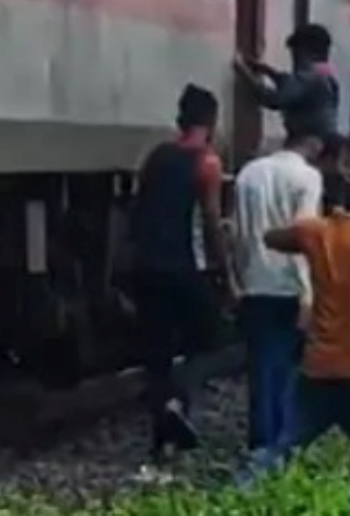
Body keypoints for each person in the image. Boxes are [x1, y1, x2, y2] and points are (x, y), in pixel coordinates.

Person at [251, 178, 350, 482]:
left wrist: (320, 228)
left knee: (287, 443)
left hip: (318, 363)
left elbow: (272, 238)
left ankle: (242, 488)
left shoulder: (317, 230)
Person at [127, 84, 235, 465]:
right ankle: (177, 400)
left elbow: (139, 208)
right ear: (212, 121)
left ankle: (164, 437)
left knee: (156, 353)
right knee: (209, 340)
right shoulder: (207, 163)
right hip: (185, 268)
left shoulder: (155, 156)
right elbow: (210, 222)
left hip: (146, 266)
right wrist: (227, 275)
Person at [232, 129, 324, 454]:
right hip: (288, 287)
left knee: (260, 371)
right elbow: (305, 235)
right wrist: (309, 294)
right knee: (286, 372)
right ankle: (277, 446)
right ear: (313, 143)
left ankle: (261, 443)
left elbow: (239, 233)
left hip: (254, 283)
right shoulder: (308, 177)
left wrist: (238, 279)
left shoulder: (248, 173)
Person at [234, 24, 340, 141]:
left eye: (295, 53)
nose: (294, 59)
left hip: (309, 143)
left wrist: (243, 71)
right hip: (324, 142)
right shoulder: (325, 74)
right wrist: (269, 72)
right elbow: (292, 85)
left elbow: (274, 99)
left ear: (305, 51)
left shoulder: (309, 76)